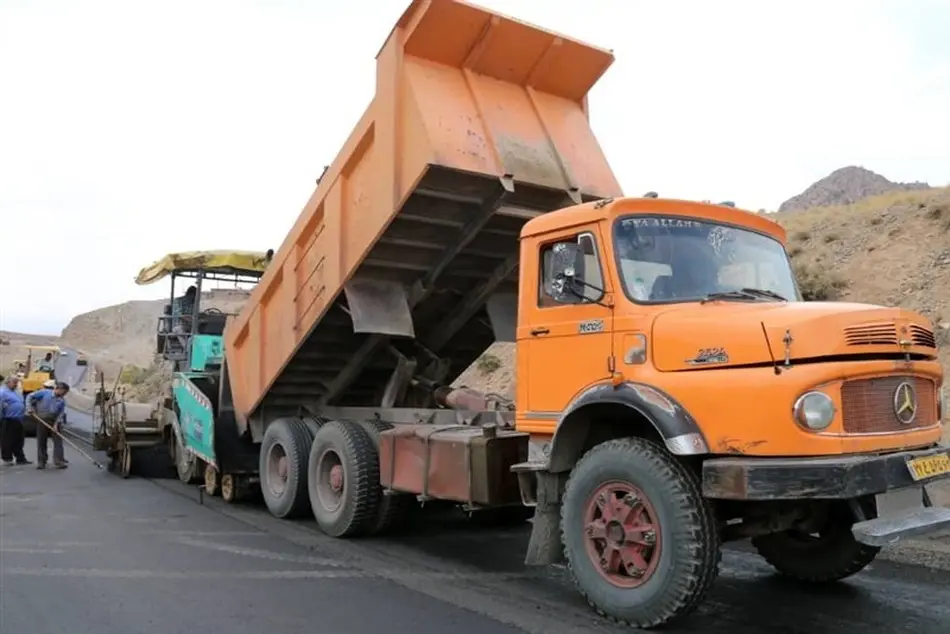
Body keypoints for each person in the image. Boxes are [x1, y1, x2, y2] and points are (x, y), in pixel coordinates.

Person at [26, 380, 70, 469]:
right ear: (59, 389)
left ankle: (59, 461)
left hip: (54, 420)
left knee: (58, 441)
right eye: (64, 392)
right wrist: (29, 408)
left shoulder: (62, 400)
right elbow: (29, 396)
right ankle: (41, 461)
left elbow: (61, 414)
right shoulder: (45, 393)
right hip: (42, 419)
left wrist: (56, 424)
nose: (64, 394)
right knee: (41, 441)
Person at [1, 375, 31, 465]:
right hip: (8, 419)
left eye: (16, 383)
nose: (15, 384)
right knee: (7, 440)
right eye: (14, 382)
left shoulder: (16, 392)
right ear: (8, 382)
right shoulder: (2, 392)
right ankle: (7, 458)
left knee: (19, 440)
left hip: (19, 419)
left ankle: (20, 458)